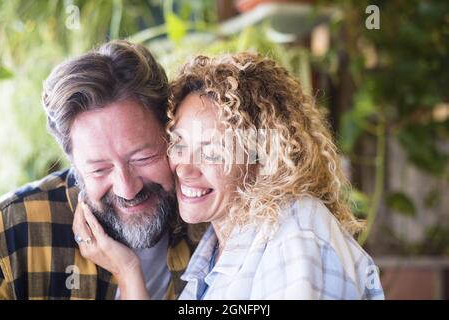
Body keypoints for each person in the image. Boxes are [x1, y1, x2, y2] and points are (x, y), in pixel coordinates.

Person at [74, 52, 384, 299]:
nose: (185, 168)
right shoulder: (213, 251)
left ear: (261, 158)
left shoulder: (295, 232)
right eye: (179, 144)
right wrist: (128, 273)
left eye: (213, 152)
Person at [0, 40, 198, 300]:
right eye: (99, 169)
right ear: (74, 165)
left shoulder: (209, 218)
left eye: (143, 158)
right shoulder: (11, 231)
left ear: (171, 134)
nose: (127, 188)